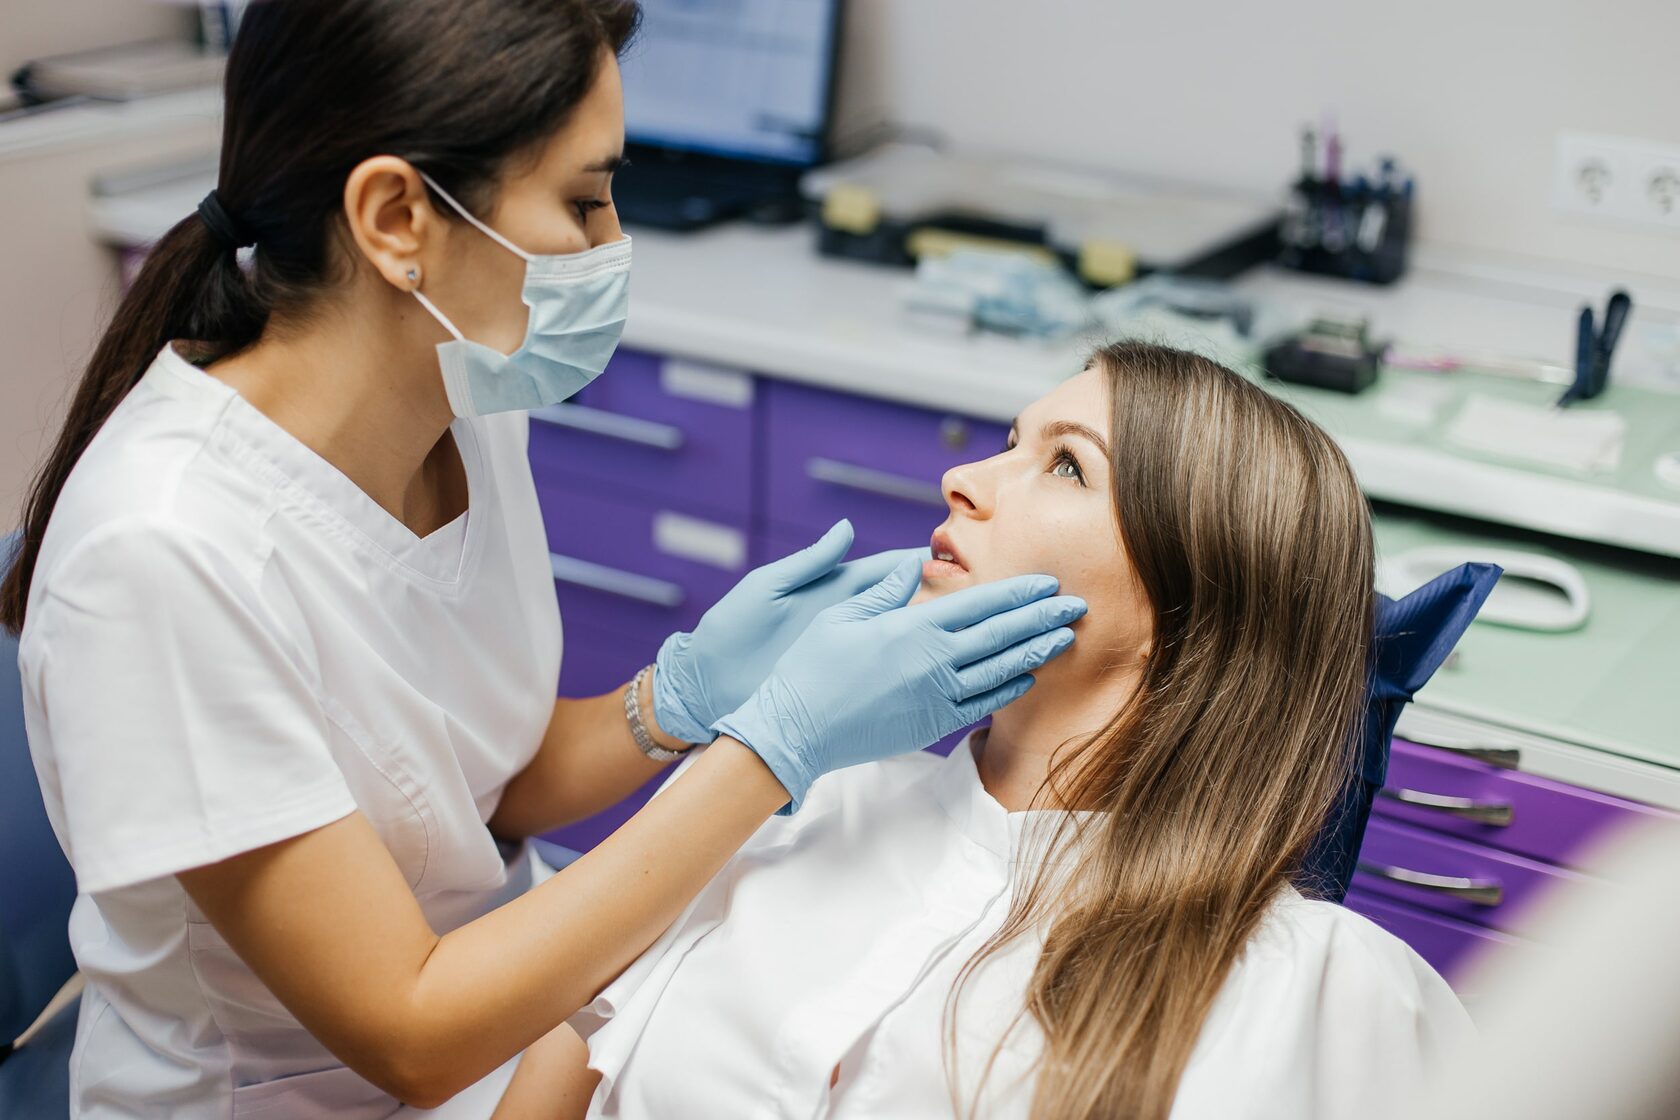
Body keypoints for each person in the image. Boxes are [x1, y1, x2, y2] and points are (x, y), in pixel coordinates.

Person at [0, 2, 1083, 1116]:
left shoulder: (461, 399)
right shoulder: (165, 552)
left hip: (503, 1018)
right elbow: (410, 1031)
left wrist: (683, 696)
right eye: (582, 201)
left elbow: (474, 790)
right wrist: (771, 751)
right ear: (396, 219)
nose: (614, 248)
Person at [523, 343, 1473, 1119]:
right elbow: (548, 1067)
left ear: (1190, 613)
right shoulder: (783, 800)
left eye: (1066, 466)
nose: (962, 479)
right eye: (1011, 442)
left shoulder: (1322, 989)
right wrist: (695, 711)